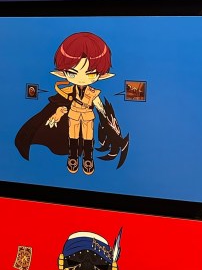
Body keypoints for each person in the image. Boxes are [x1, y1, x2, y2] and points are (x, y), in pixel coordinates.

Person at [15, 32, 129, 174]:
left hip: (87, 117)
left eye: (90, 73)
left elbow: (101, 108)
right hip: (73, 116)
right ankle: (73, 157)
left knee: (88, 137)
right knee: (73, 137)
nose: (81, 78)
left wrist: (108, 121)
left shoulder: (93, 92)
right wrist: (57, 114)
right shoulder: (67, 91)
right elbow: (60, 105)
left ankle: (88, 158)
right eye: (72, 72)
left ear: (100, 75)